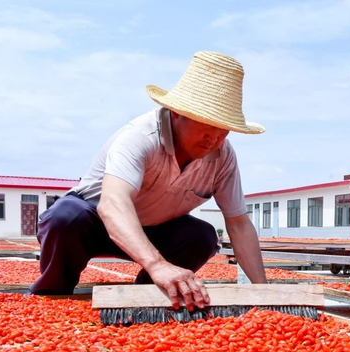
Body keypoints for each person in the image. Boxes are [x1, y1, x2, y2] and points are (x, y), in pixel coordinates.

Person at [29, 51, 267, 310]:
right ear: (177, 113)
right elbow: (112, 205)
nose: (214, 139)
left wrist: (264, 292)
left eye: (223, 131)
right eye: (206, 126)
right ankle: (53, 295)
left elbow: (239, 224)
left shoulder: (222, 156)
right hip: (92, 224)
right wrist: (157, 264)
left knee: (202, 236)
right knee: (66, 216)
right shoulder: (141, 137)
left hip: (155, 230)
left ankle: (150, 297)